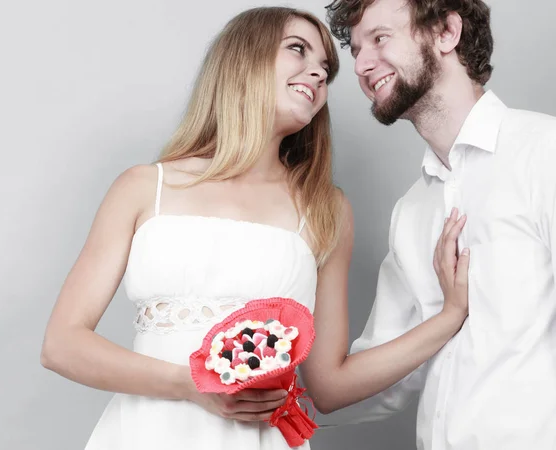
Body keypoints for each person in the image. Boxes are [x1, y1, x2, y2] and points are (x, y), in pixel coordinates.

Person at [40, 6, 468, 450]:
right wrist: (192, 384)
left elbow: (330, 386)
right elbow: (62, 344)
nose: (318, 74)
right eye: (297, 50)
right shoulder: (144, 187)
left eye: (326, 69)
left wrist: (448, 318)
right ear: (243, 58)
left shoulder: (326, 210)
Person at [310, 0, 556, 449]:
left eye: (380, 38)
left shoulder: (545, 153)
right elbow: (386, 376)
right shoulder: (412, 211)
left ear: (446, 33)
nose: (362, 65)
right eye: (356, 49)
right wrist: (269, 396)